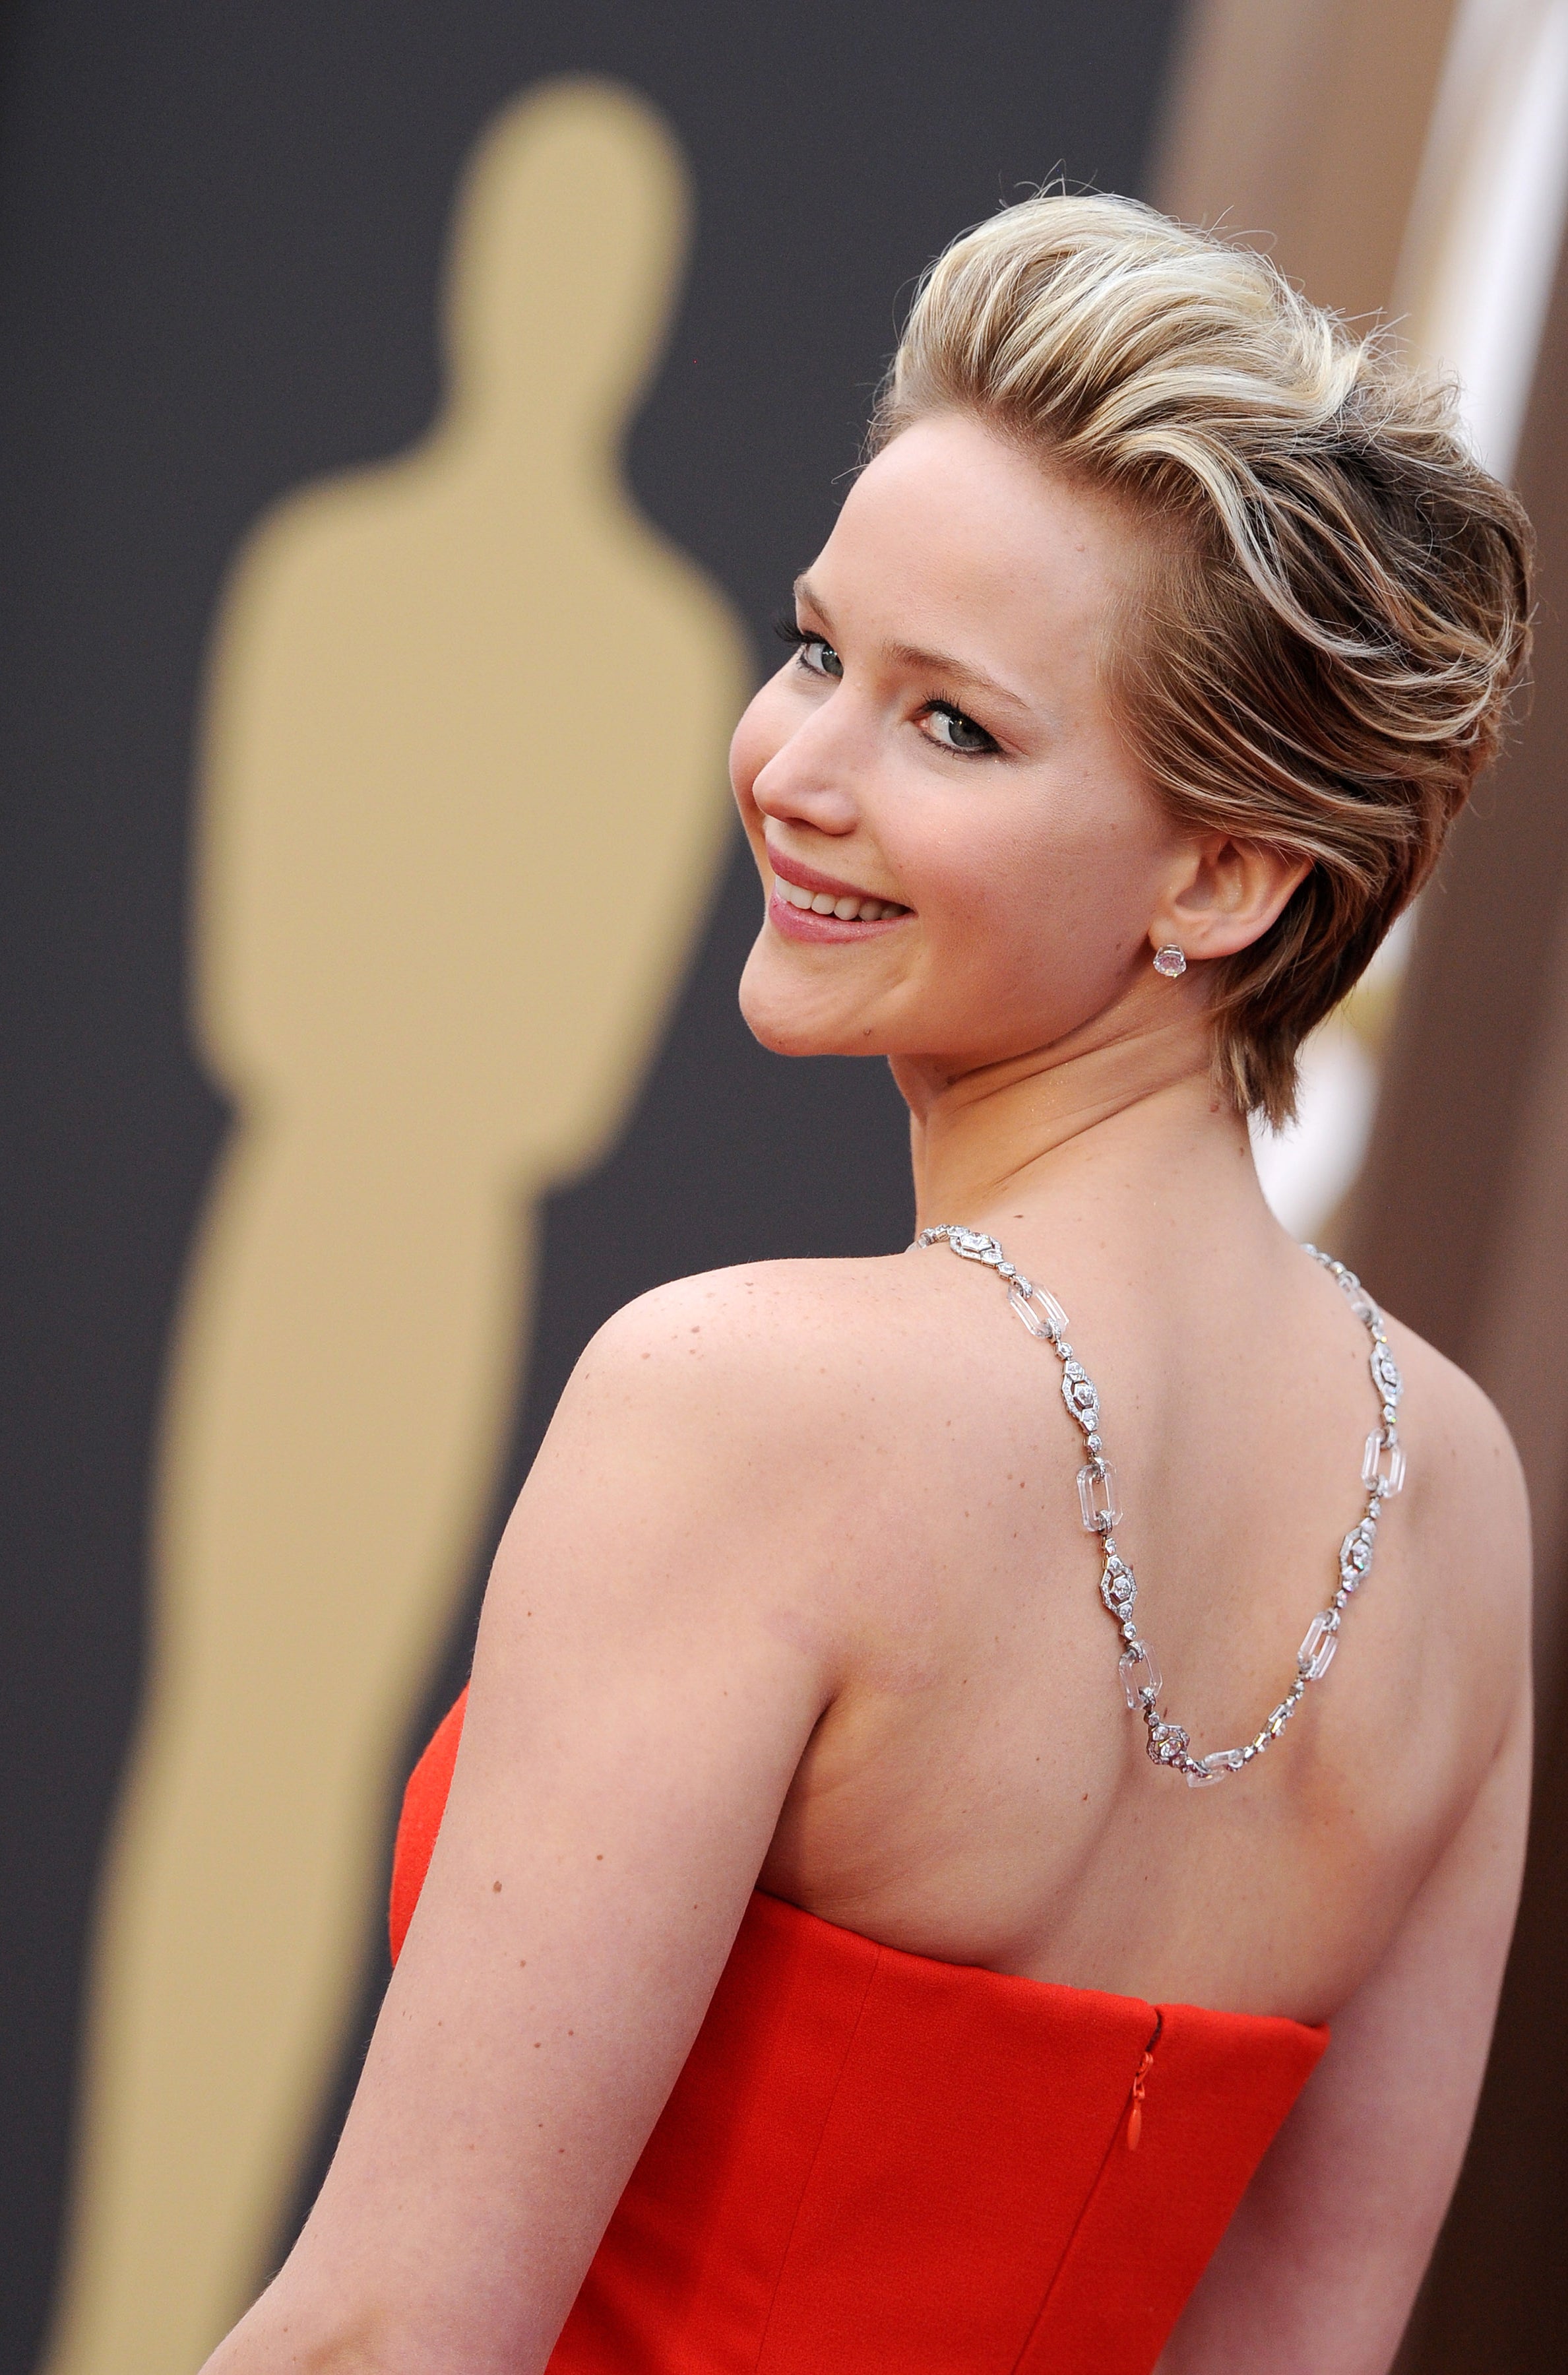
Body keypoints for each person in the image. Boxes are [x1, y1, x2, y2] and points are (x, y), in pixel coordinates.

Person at [204, 192, 1534, 2375]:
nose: (795, 775)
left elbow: (386, 2339)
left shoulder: (746, 1405)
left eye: (955, 731)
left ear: (1222, 874)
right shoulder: (1453, 1503)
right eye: (820, 650)